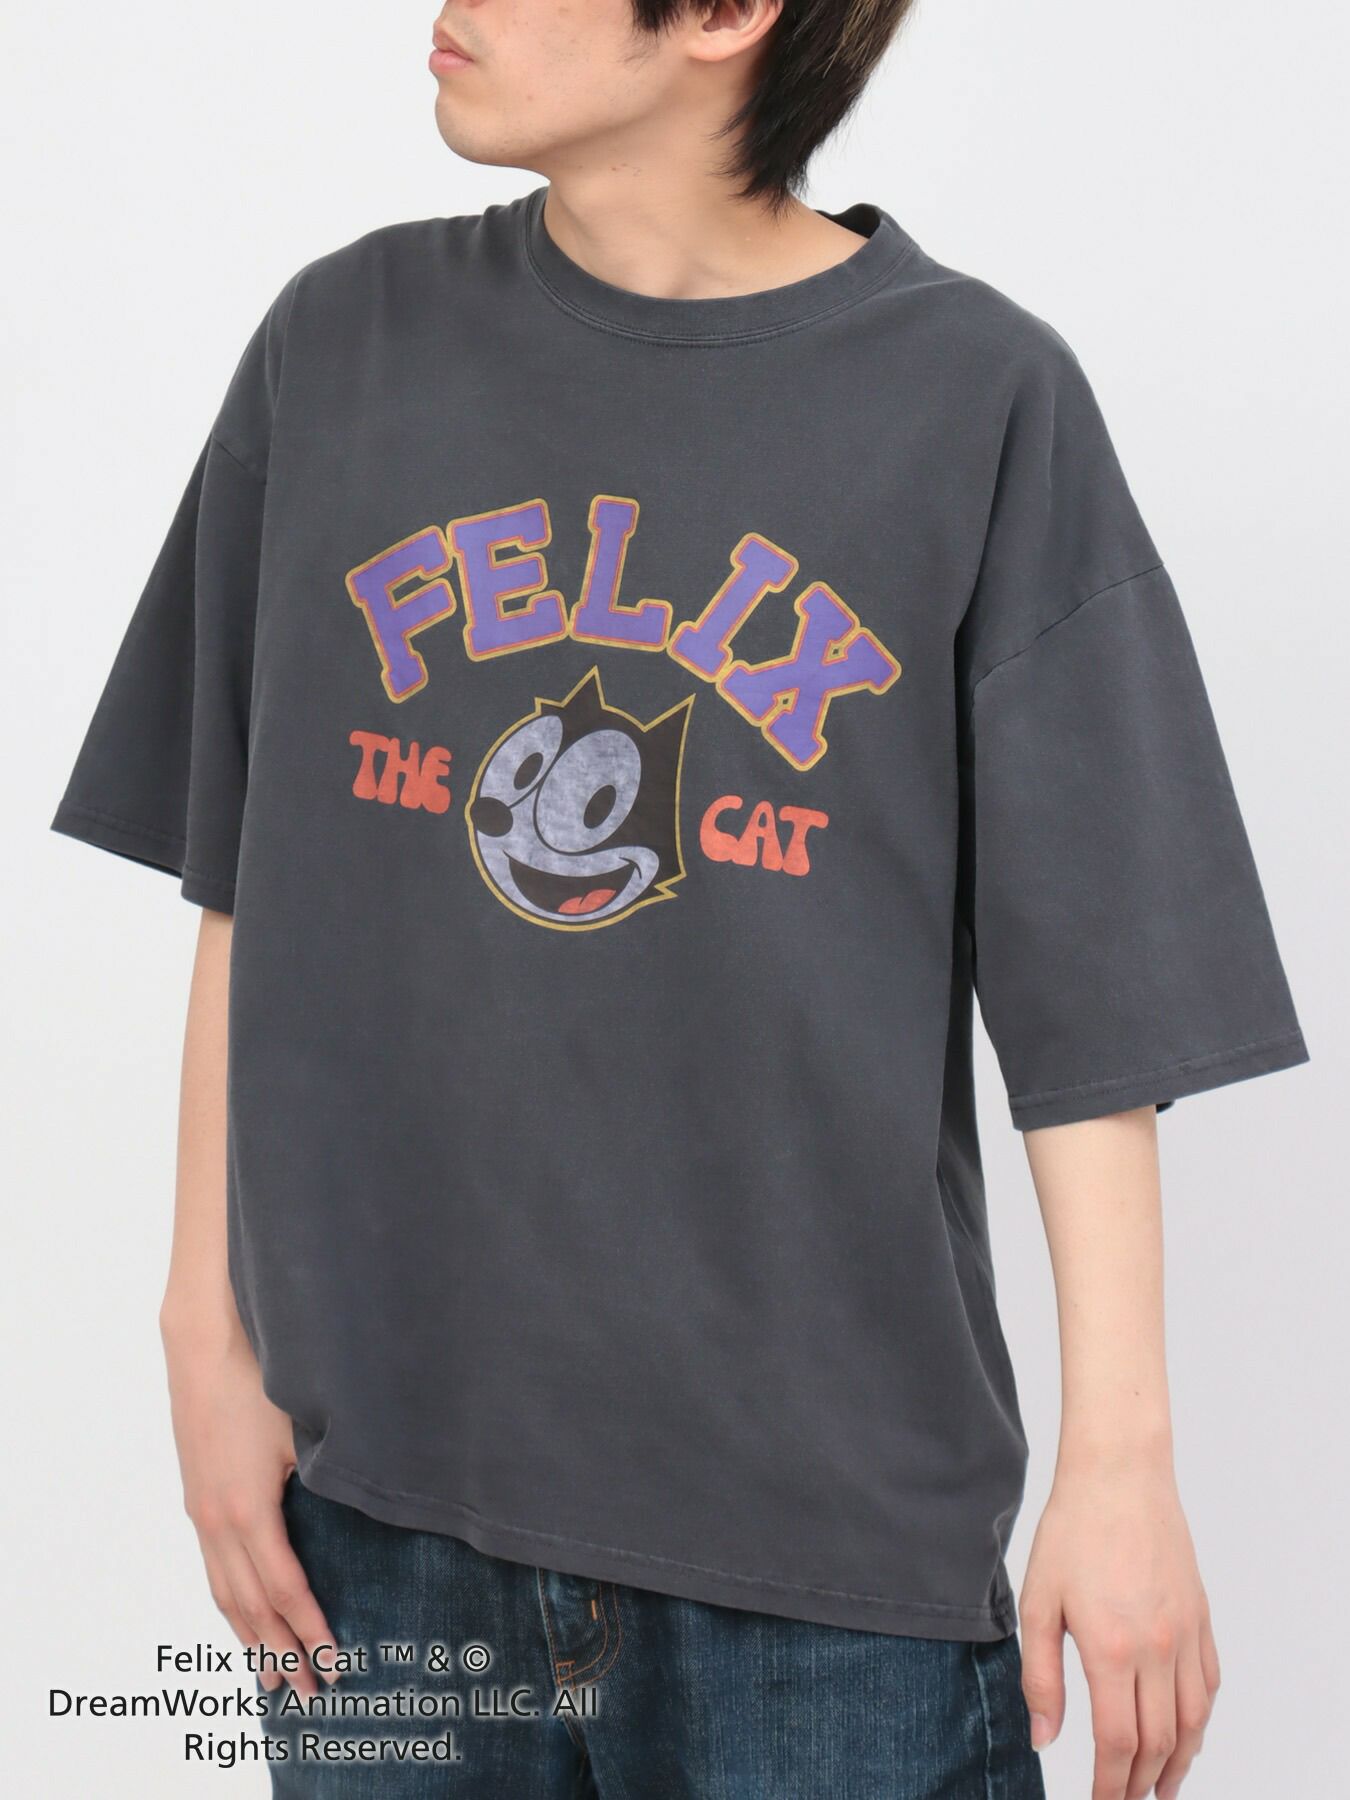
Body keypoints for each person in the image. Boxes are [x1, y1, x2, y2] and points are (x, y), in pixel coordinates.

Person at [50, 3, 1309, 1796]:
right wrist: (205, 1328)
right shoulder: (341, 346)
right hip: (382, 1529)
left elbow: (1097, 1007)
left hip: (822, 1589)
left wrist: (1122, 1465)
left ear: (726, 14)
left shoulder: (972, 397)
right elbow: (237, 872)